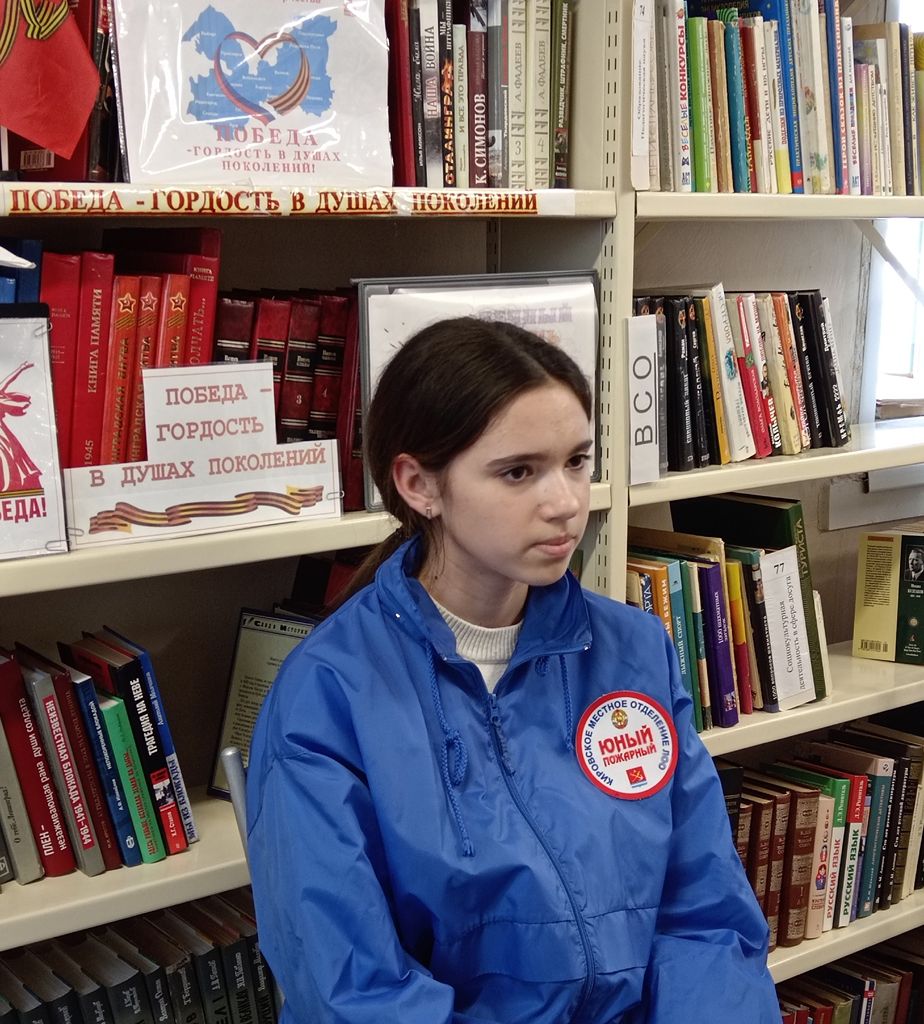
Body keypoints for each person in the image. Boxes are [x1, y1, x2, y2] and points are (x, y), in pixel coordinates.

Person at [246, 317, 780, 1024]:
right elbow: (354, 990)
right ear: (420, 484)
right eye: (519, 472)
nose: (566, 503)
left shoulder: (633, 649)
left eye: (577, 461)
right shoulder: (328, 694)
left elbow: (705, 914)